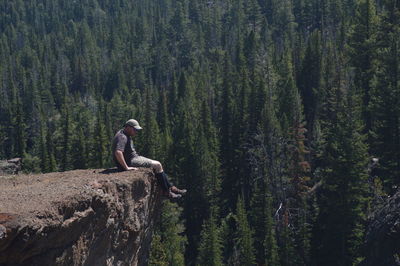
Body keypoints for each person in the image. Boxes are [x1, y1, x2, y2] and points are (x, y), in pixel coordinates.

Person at [112, 119, 186, 199]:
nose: (136, 132)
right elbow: (118, 152)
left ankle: (171, 188)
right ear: (128, 127)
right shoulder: (122, 137)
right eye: (135, 129)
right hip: (131, 161)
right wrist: (126, 167)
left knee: (158, 165)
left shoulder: (123, 133)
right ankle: (167, 192)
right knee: (157, 165)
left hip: (133, 158)